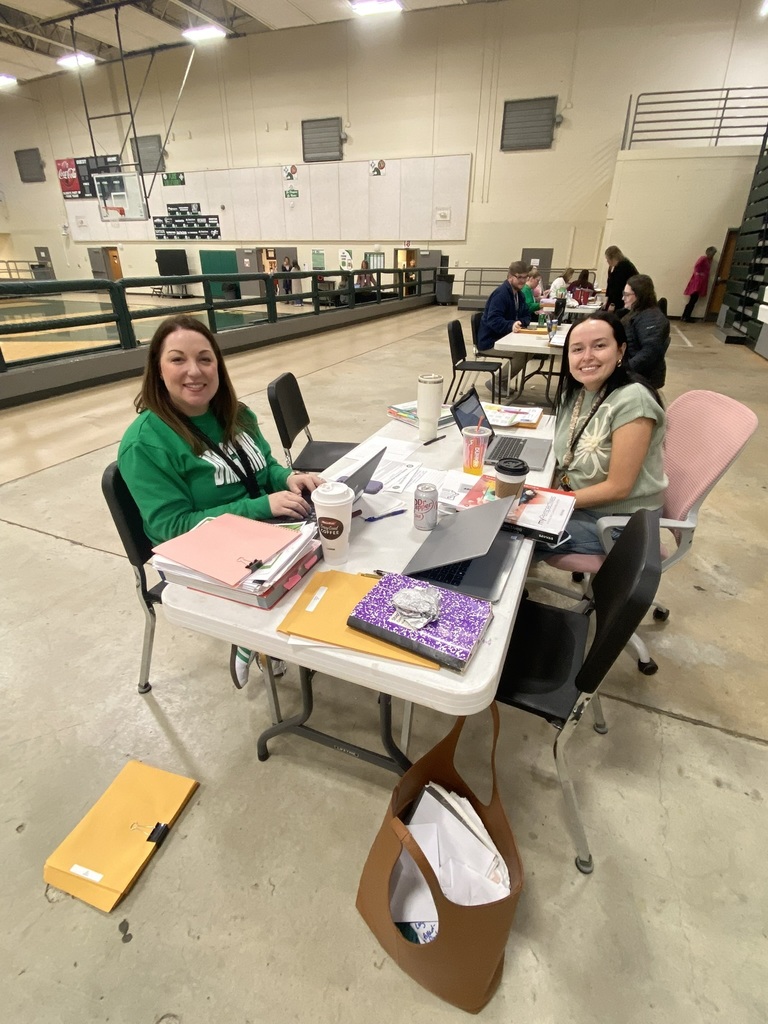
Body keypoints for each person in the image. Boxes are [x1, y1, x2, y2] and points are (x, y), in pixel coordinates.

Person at [118, 314, 323, 685]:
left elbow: (264, 470)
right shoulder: (145, 442)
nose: (194, 371)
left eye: (205, 359)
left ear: (218, 365)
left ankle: (268, 633)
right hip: (202, 551)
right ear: (157, 369)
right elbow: (171, 528)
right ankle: (253, 637)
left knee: (337, 544)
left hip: (265, 532)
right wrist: (261, 507)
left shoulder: (235, 413)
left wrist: (289, 479)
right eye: (178, 359)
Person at [543, 311, 666, 557]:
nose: (587, 357)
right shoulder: (576, 392)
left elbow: (618, 488)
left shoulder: (633, 400)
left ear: (620, 351)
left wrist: (549, 501)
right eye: (577, 349)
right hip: (582, 504)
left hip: (620, 523)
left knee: (512, 535)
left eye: (599, 346)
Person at [621, 274, 670, 389]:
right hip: (636, 375)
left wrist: (624, 370)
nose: (623, 298)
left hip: (642, 379)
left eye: (627, 295)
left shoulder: (651, 318)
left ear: (639, 295)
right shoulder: (639, 312)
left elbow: (649, 352)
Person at [682, 246, 717, 322]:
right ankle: (686, 317)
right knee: (692, 301)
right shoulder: (703, 259)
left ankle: (685, 316)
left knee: (693, 301)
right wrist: (699, 276)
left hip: (701, 283)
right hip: (697, 283)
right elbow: (696, 267)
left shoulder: (709, 260)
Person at [603, 246, 638, 315]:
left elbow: (617, 289)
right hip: (619, 300)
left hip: (621, 302)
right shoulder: (617, 267)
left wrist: (612, 304)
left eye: (607, 259)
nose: (607, 261)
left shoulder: (623, 268)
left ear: (612, 258)